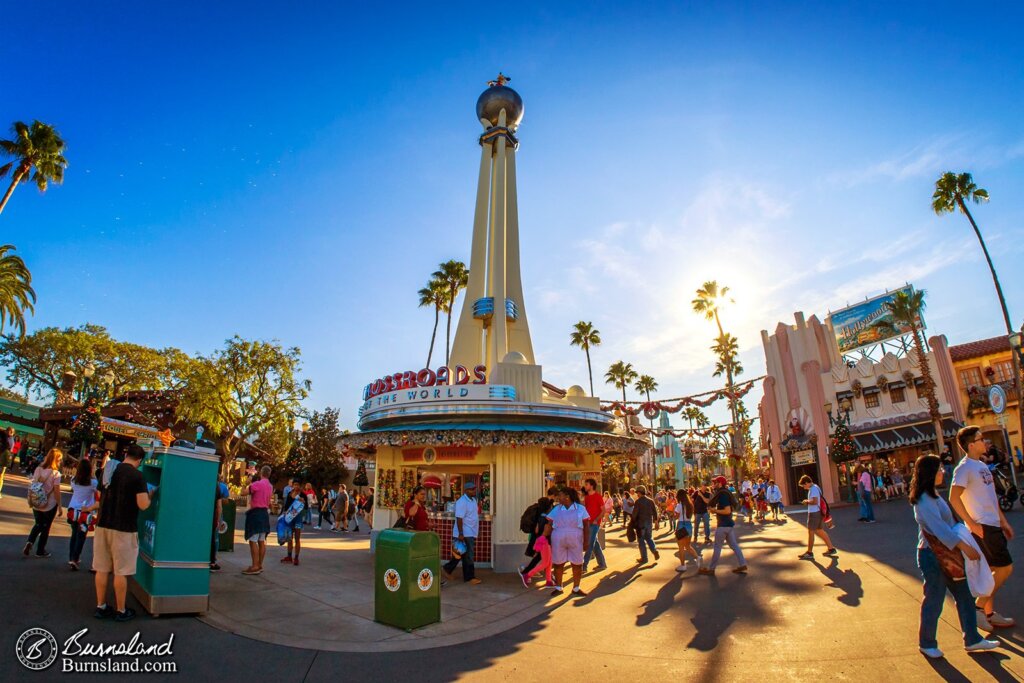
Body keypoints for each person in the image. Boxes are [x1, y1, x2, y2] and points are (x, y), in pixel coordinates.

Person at [911, 454, 1000, 658]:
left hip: (947, 552)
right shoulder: (924, 499)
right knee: (934, 598)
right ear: (930, 473)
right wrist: (965, 547)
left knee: (964, 595)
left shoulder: (932, 494)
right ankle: (927, 642)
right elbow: (940, 530)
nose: (943, 471)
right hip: (933, 555)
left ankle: (973, 639)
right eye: (939, 468)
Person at [949, 425, 1016, 631]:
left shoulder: (982, 466)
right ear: (970, 445)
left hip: (993, 523)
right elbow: (953, 497)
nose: (984, 442)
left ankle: (988, 614)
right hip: (983, 526)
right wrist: (971, 523)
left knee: (993, 570)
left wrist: (1003, 521)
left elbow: (991, 498)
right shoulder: (964, 468)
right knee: (1005, 568)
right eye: (980, 439)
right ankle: (977, 609)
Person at [93, 444, 152, 621]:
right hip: (124, 529)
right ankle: (121, 610)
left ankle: (101, 606)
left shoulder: (108, 470)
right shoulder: (137, 476)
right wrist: (151, 495)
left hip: (103, 524)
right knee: (121, 572)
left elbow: (99, 495)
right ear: (140, 460)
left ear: (126, 455)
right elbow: (143, 504)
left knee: (101, 569)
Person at [543, 486, 590, 597]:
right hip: (558, 538)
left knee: (577, 563)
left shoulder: (580, 508)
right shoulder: (556, 509)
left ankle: (576, 587)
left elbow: (586, 525)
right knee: (558, 563)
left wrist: (586, 541)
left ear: (567, 497)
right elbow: (549, 524)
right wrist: (544, 537)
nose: (558, 497)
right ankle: (559, 587)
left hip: (576, 538)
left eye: (561, 495)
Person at [699, 476, 748, 575]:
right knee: (734, 545)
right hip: (728, 525)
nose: (714, 484)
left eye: (715, 482)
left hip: (723, 525)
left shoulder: (723, 495)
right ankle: (742, 564)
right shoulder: (724, 493)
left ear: (720, 483)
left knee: (717, 547)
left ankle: (711, 569)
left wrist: (715, 510)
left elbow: (727, 510)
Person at [24, 447, 64, 558]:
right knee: (46, 527)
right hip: (49, 504)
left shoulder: (38, 469)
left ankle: (30, 541)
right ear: (56, 460)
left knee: (38, 524)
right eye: (59, 459)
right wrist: (60, 506)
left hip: (36, 499)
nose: (60, 462)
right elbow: (56, 491)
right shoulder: (56, 474)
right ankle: (40, 550)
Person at [442, 481, 481, 585]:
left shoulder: (473, 500)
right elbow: (459, 518)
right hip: (465, 532)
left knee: (460, 554)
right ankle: (469, 577)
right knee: (468, 556)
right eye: (472, 489)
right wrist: (460, 533)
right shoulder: (462, 501)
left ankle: (447, 569)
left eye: (474, 489)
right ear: (466, 490)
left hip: (471, 532)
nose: (474, 491)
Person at [67, 457, 100, 570]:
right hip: (85, 511)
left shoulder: (73, 480)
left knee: (74, 534)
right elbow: (98, 494)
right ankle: (75, 559)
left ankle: (71, 557)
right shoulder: (93, 482)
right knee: (81, 536)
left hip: (72, 510)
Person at [520, 486, 559, 579]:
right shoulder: (547, 505)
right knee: (542, 557)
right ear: (554, 495)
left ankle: (545, 575)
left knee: (541, 556)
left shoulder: (541, 503)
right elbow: (544, 520)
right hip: (543, 535)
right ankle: (527, 572)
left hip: (539, 535)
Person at [797, 474, 837, 560]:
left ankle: (809, 552)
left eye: (804, 485)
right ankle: (831, 548)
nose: (804, 487)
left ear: (807, 482)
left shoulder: (813, 489)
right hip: (818, 512)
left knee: (811, 532)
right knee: (819, 530)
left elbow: (815, 501)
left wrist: (806, 501)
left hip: (814, 512)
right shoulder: (816, 487)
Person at [243, 466, 273, 575]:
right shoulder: (270, 486)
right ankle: (259, 564)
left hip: (256, 513)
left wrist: (246, 483)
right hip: (264, 513)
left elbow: (243, 493)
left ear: (261, 473)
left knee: (253, 540)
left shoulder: (257, 484)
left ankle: (255, 565)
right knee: (261, 540)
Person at [581, 478, 607, 572]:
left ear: (591, 486)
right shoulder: (587, 497)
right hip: (588, 523)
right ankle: (602, 564)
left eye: (587, 484)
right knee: (594, 543)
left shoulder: (598, 496)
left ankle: (584, 565)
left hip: (595, 524)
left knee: (589, 544)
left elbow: (603, 510)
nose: (585, 486)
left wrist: (596, 519)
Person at [674, 489, 701, 572]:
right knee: (688, 546)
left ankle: (683, 565)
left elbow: (676, 517)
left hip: (681, 525)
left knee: (681, 547)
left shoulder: (679, 505)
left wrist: (674, 514)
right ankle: (697, 557)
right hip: (689, 525)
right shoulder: (690, 505)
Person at [632, 485, 660, 564]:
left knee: (641, 541)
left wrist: (632, 523)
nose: (637, 494)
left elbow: (635, 514)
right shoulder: (650, 500)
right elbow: (655, 512)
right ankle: (654, 550)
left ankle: (644, 558)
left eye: (637, 493)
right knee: (649, 538)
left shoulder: (638, 502)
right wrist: (656, 522)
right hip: (649, 522)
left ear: (640, 493)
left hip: (641, 524)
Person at [281, 484, 308, 565]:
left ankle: (296, 558)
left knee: (297, 538)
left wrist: (302, 502)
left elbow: (306, 508)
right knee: (289, 538)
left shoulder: (303, 495)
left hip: (298, 519)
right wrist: (285, 513)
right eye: (294, 485)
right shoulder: (290, 493)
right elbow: (286, 506)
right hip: (289, 518)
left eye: (297, 485)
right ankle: (289, 556)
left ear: (300, 486)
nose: (296, 486)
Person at [210, 476, 230, 572]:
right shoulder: (219, 487)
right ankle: (213, 561)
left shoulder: (207, 484)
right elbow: (221, 505)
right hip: (214, 516)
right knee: (213, 538)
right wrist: (219, 520)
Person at [0, 426, 13, 499]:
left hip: (4, 458)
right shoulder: (3, 435)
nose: (9, 433)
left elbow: (9, 452)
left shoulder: (11, 440)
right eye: (8, 431)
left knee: (1, 476)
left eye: (11, 432)